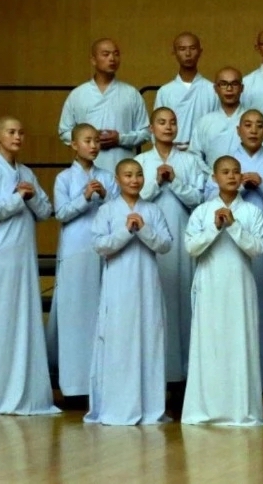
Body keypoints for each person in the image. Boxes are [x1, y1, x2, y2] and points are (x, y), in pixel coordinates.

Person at [0, 117, 59, 417]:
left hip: (22, 260)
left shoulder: (27, 173)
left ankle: (27, 393)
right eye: (11, 132)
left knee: (23, 321)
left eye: (21, 132)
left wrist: (29, 197)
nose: (17, 136)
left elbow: (46, 211)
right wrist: (18, 197)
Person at [203, 109, 263, 391]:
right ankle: (236, 378)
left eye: (259, 126)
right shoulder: (228, 163)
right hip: (229, 241)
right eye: (248, 125)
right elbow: (208, 198)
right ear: (238, 130)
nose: (253, 130)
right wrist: (237, 187)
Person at [181, 156, 263, 426]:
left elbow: (258, 248)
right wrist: (215, 227)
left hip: (240, 285)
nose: (231, 176)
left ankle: (241, 410)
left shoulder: (251, 212)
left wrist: (234, 225)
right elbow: (191, 248)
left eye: (236, 172)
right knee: (210, 344)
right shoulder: (202, 212)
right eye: (225, 172)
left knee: (239, 341)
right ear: (214, 178)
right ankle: (205, 409)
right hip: (209, 283)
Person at [86, 159, 172, 426]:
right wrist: (126, 230)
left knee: (148, 339)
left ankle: (150, 408)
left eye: (138, 175)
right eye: (128, 175)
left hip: (147, 284)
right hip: (118, 285)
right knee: (119, 341)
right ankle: (117, 407)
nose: (134, 180)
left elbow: (166, 244)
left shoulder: (153, 210)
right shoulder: (108, 211)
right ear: (118, 178)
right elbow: (100, 245)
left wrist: (143, 229)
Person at [135, 107, 207, 384]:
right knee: (155, 300)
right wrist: (156, 181)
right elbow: (135, 197)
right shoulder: (141, 161)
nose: (168, 127)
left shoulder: (189, 161)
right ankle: (155, 373)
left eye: (172, 122)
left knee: (182, 300)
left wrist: (175, 181)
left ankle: (185, 373)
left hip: (182, 232)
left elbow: (198, 200)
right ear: (151, 129)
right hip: (149, 237)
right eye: (161, 122)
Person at [48, 123, 118, 399]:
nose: (93, 146)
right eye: (87, 141)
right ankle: (74, 384)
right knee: (75, 315)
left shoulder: (107, 177)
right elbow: (62, 213)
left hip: (102, 251)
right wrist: (85, 197)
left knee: (101, 313)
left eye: (96, 141)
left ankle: (102, 382)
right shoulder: (64, 179)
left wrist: (104, 197)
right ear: (74, 145)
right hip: (76, 251)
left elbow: (117, 208)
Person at [58, 38, 150, 172]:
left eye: (116, 54)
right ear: (93, 60)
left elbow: (146, 133)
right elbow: (64, 132)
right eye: (106, 54)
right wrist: (89, 140)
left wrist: (120, 139)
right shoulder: (78, 95)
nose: (112, 58)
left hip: (123, 170)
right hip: (87, 171)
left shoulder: (131, 94)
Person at [153, 32, 219, 152]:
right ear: (174, 52)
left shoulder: (212, 90)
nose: (188, 54)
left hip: (204, 153)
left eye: (192, 48)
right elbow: (157, 129)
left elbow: (217, 127)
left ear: (200, 51)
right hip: (172, 154)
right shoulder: (165, 92)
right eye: (182, 49)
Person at [193, 67, 252, 167]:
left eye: (234, 84)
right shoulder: (205, 122)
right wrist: (211, 175)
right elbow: (194, 155)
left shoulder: (254, 120)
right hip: (211, 179)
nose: (229, 89)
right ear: (215, 89)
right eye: (224, 84)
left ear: (242, 88)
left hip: (248, 180)